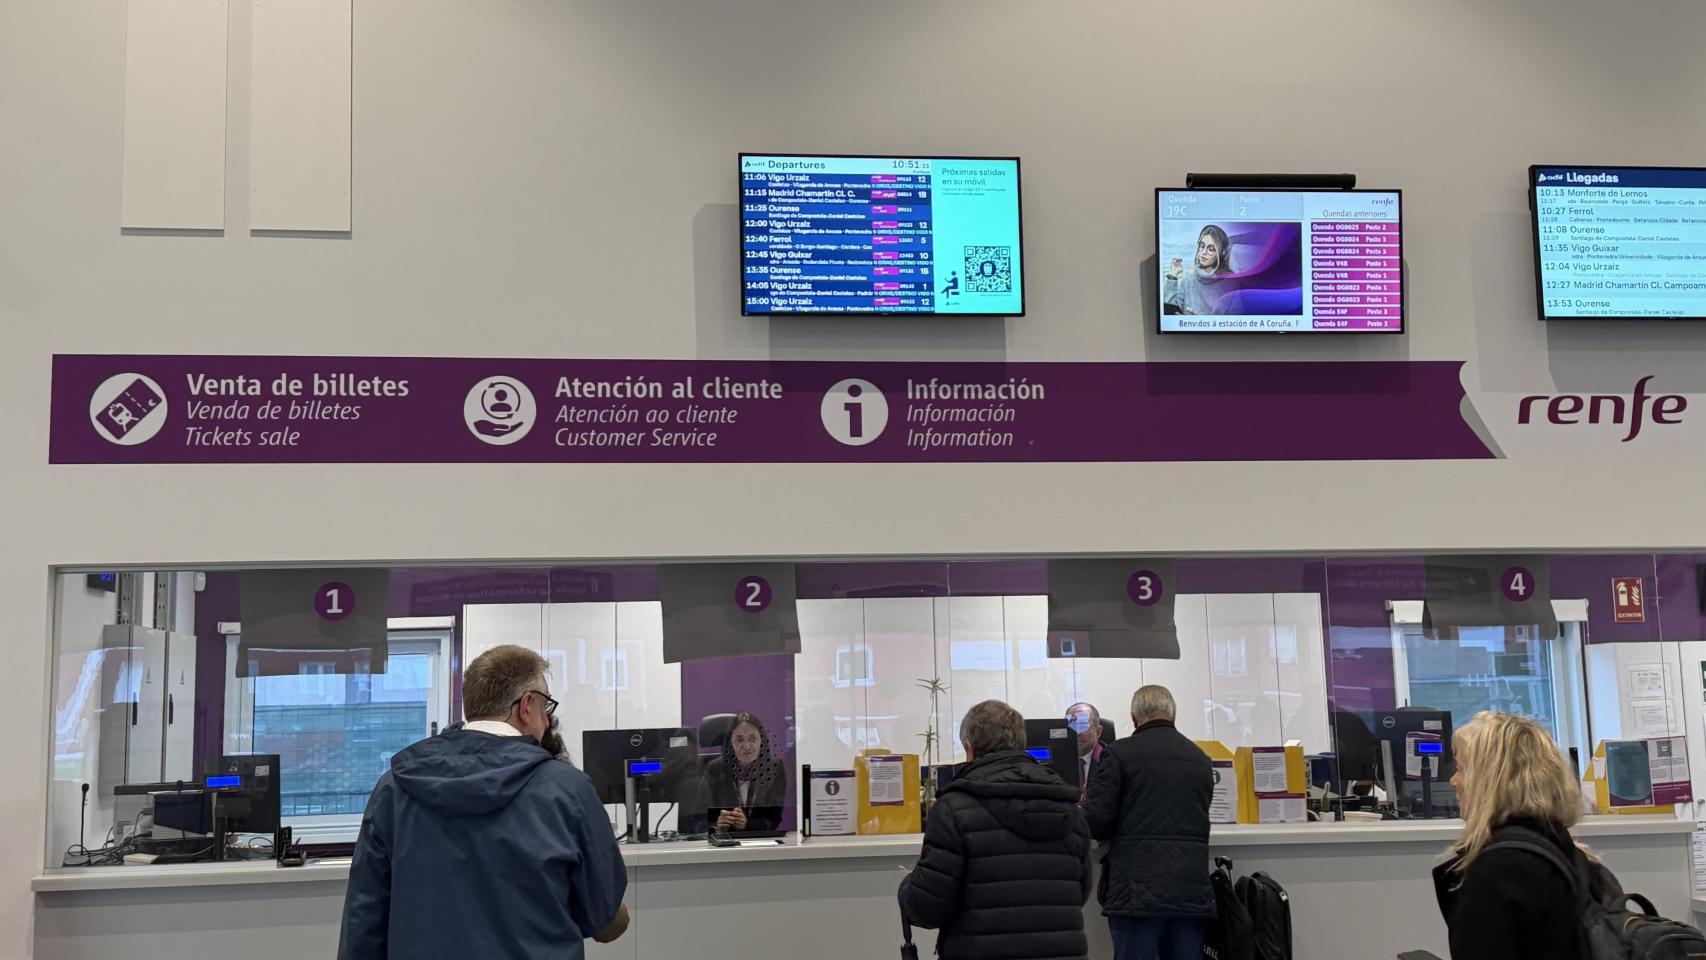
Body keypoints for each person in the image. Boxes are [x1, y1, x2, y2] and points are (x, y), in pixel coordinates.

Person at [337, 644, 629, 959]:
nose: (548, 721)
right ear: (527, 706)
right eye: (547, 706)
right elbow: (603, 916)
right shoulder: (567, 790)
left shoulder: (394, 789)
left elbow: (365, 918)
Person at [900, 699, 1092, 960]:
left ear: (969, 748)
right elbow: (1079, 893)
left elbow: (927, 909)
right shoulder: (1069, 807)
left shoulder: (954, 810)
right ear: (1022, 744)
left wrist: (909, 885)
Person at [1433, 711, 1587, 960]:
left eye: (1460, 770)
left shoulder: (1498, 872)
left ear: (1489, 782)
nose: (1453, 781)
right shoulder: (1565, 850)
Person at [1084, 685, 1214, 960]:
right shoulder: (1200, 759)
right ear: (1173, 714)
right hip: (1190, 889)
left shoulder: (1119, 754)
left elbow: (1095, 821)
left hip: (1136, 892)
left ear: (1134, 718)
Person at [698, 711, 788, 833]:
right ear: (731, 743)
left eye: (752, 739)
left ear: (761, 741)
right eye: (739, 740)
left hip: (759, 845)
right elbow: (698, 819)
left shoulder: (774, 768)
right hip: (724, 844)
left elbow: (773, 820)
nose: (746, 746)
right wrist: (717, 826)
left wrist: (747, 824)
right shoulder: (714, 769)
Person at [1162, 224, 1235, 315]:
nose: (1204, 252)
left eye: (1211, 249)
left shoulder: (1232, 285)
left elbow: (1237, 323)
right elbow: (1169, 313)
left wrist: (1200, 324)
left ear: (1222, 252)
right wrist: (1173, 275)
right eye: (1202, 246)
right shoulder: (1187, 281)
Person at [1067, 701, 1105, 804]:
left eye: (1083, 725)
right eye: (1071, 724)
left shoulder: (1109, 761)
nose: (1077, 732)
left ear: (1098, 732)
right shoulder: (1059, 760)